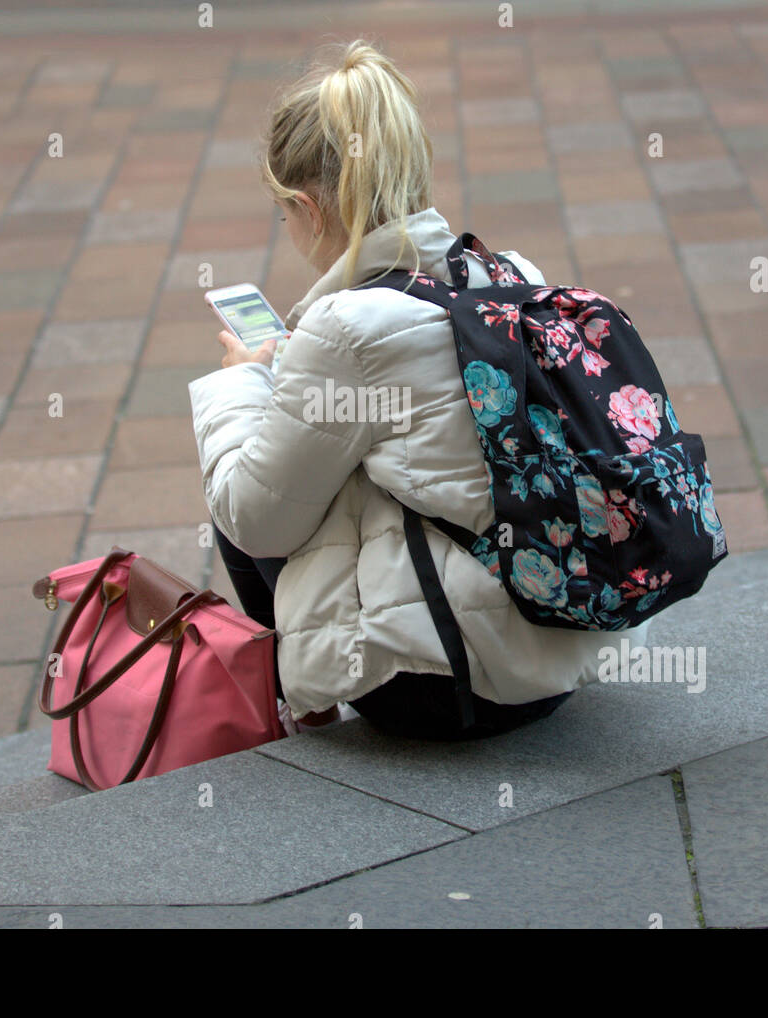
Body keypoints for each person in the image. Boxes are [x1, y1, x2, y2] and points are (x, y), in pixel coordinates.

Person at [187, 38, 650, 741]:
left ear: (309, 207)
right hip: (561, 650)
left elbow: (255, 519)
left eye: (283, 213)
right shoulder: (506, 273)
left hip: (446, 687)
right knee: (339, 444)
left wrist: (244, 386)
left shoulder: (344, 328)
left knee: (249, 472)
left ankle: (291, 698)